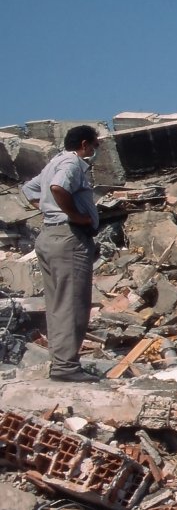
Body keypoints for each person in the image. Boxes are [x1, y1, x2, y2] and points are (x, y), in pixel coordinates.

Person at [21, 125, 101, 382]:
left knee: (57, 304)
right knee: (73, 303)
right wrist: (74, 215)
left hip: (49, 236)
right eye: (95, 144)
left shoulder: (54, 161)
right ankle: (67, 367)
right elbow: (58, 188)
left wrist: (48, 210)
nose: (95, 149)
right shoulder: (72, 163)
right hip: (68, 238)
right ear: (85, 144)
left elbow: (28, 190)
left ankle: (60, 363)